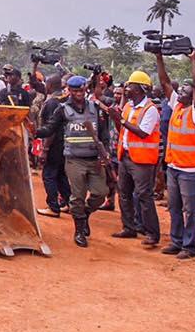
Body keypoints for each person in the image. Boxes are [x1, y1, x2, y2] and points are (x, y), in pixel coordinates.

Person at [156, 49, 195, 259]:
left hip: (190, 170)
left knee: (190, 210)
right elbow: (165, 82)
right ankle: (177, 241)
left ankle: (190, 246)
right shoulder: (177, 106)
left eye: (186, 90)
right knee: (174, 207)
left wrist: (194, 61)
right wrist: (159, 57)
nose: (182, 92)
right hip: (173, 167)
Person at [47, 75, 110, 247]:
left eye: (81, 90)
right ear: (69, 90)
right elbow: (50, 128)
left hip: (94, 159)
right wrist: (36, 132)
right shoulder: (62, 109)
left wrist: (105, 153)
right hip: (74, 159)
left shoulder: (95, 108)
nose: (79, 94)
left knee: (100, 194)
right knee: (77, 197)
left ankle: (85, 214)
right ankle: (79, 230)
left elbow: (104, 134)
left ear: (86, 89)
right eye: (75, 91)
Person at [108, 70, 161, 247]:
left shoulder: (150, 110)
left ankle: (152, 234)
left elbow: (143, 133)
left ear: (138, 89)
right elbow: (123, 129)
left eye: (129, 86)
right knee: (124, 193)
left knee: (144, 196)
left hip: (142, 160)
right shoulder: (129, 106)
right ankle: (128, 227)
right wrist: (117, 119)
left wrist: (121, 120)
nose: (126, 89)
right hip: (125, 156)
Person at [35, 74, 71, 218]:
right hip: (65, 143)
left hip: (54, 144)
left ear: (49, 85)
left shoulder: (51, 103)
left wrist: (45, 149)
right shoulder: (66, 100)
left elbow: (51, 129)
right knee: (61, 175)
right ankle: (70, 203)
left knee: (49, 175)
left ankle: (53, 207)